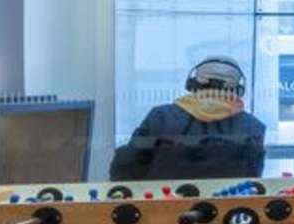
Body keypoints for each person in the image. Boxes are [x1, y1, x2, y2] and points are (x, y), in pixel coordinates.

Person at [108, 55, 268, 183]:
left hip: (163, 213)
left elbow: (125, 169)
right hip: (229, 215)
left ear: (192, 83)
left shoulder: (161, 117)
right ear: (238, 90)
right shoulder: (253, 126)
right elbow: (253, 178)